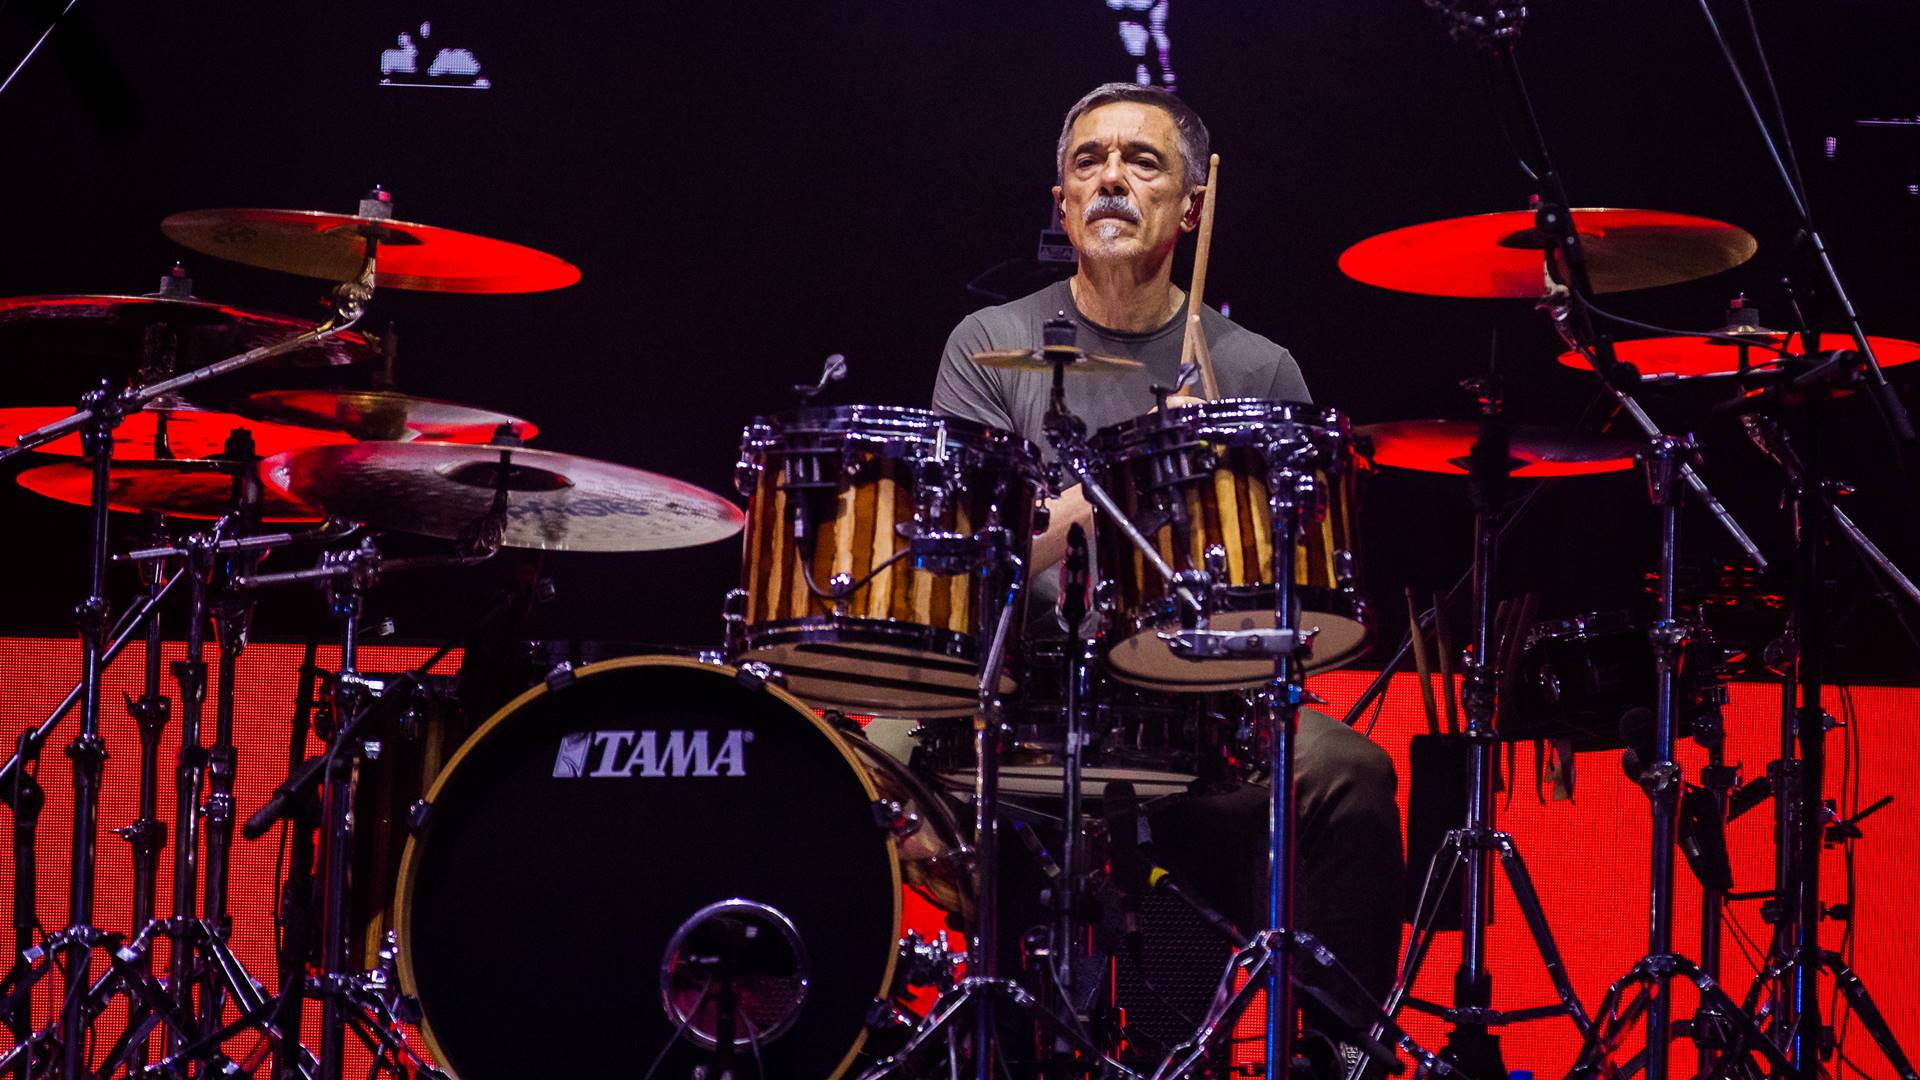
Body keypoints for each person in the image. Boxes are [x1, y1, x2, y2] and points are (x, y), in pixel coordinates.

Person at [930, 82, 1405, 1006]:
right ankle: (949, 1025)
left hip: (1205, 701)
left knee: (1350, 774)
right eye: (1089, 162)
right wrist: (1146, 466)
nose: (1111, 178)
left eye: (1141, 162)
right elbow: (976, 549)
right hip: (1030, 690)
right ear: (1062, 201)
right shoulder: (990, 343)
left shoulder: (1258, 367)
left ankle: (1334, 1048)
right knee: (880, 757)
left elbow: (1293, 586)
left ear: (1191, 208)